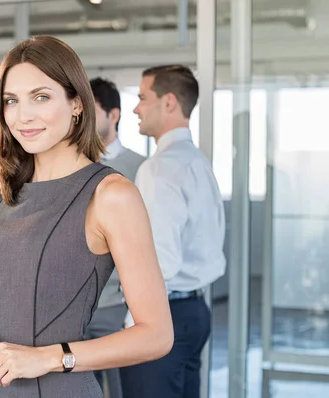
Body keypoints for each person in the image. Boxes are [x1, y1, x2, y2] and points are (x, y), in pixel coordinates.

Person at [0, 35, 173, 397]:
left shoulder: (110, 195)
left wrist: (51, 358)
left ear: (76, 104)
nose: (23, 115)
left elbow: (157, 335)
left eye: (41, 97)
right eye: (11, 101)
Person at [119, 65, 226, 398]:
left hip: (163, 316)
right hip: (195, 313)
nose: (135, 108)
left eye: (142, 97)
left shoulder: (159, 168)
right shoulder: (197, 160)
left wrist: (133, 325)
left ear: (168, 103)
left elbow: (159, 260)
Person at [84, 77, 146, 398]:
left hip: (117, 308)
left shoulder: (140, 169)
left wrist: (131, 312)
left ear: (115, 115)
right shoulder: (73, 167)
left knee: (123, 391)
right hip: (78, 307)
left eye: (93, 112)